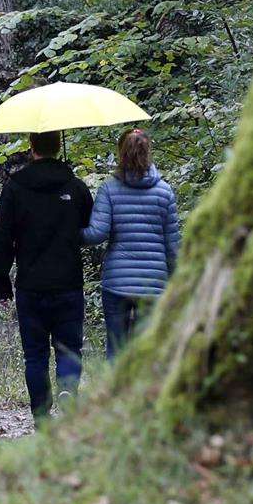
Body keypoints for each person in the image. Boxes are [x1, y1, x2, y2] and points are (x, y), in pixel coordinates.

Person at [0, 129, 93, 419]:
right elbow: (88, 226)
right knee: (69, 349)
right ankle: (68, 393)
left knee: (35, 355)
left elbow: (3, 238)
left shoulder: (13, 188)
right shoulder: (75, 187)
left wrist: (1, 284)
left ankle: (41, 416)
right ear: (58, 146)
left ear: (31, 146)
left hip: (30, 285)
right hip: (68, 282)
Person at [82, 127, 181, 358]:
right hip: (153, 284)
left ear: (121, 153)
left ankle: (114, 394)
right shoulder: (165, 192)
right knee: (147, 351)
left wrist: (70, 232)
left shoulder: (109, 189)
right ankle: (144, 394)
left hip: (117, 282)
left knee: (116, 349)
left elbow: (97, 234)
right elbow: (173, 247)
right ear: (148, 152)